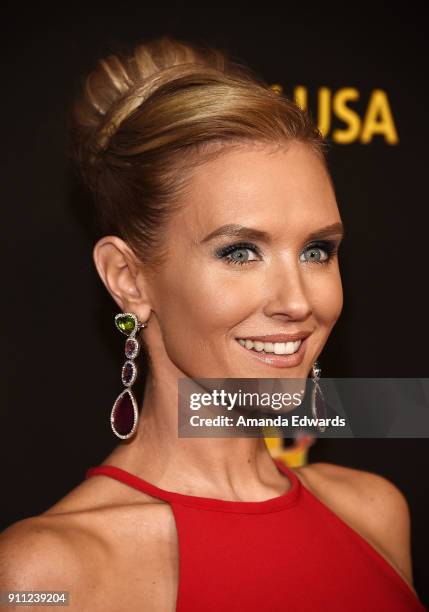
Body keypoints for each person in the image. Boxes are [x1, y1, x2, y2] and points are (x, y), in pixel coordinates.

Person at [0, 35, 425, 611]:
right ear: (128, 278)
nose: (298, 301)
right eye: (240, 252)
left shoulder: (376, 511)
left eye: (317, 250)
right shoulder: (46, 573)